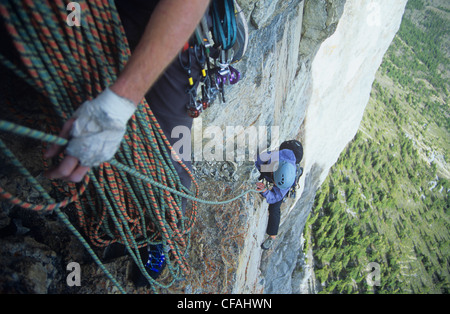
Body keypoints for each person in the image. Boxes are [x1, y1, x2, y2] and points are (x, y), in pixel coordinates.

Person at [255, 148, 298, 250]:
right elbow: (257, 162)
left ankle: (272, 235)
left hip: (286, 170)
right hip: (275, 165)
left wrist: (265, 191)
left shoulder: (287, 182)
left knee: (275, 207)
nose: (274, 184)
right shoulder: (271, 158)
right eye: (274, 182)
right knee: (262, 170)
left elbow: (274, 198)